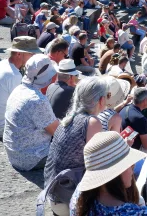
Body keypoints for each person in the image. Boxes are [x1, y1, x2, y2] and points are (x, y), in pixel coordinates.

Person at [44, 77, 107, 215]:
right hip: (67, 198)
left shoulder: (69, 118)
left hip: (54, 191)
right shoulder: (92, 122)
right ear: (101, 100)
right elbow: (96, 166)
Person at [68, 131, 147, 216]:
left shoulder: (79, 197)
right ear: (118, 171)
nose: (132, 169)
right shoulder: (142, 213)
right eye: (129, 163)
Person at [3, 54, 59, 171]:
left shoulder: (19, 89)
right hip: (31, 158)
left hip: (15, 153)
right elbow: (57, 132)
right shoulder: (37, 100)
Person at [0, 36, 39, 141]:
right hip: (4, 128)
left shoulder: (3, 64)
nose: (34, 57)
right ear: (19, 54)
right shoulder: (13, 75)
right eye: (31, 54)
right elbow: (24, 107)